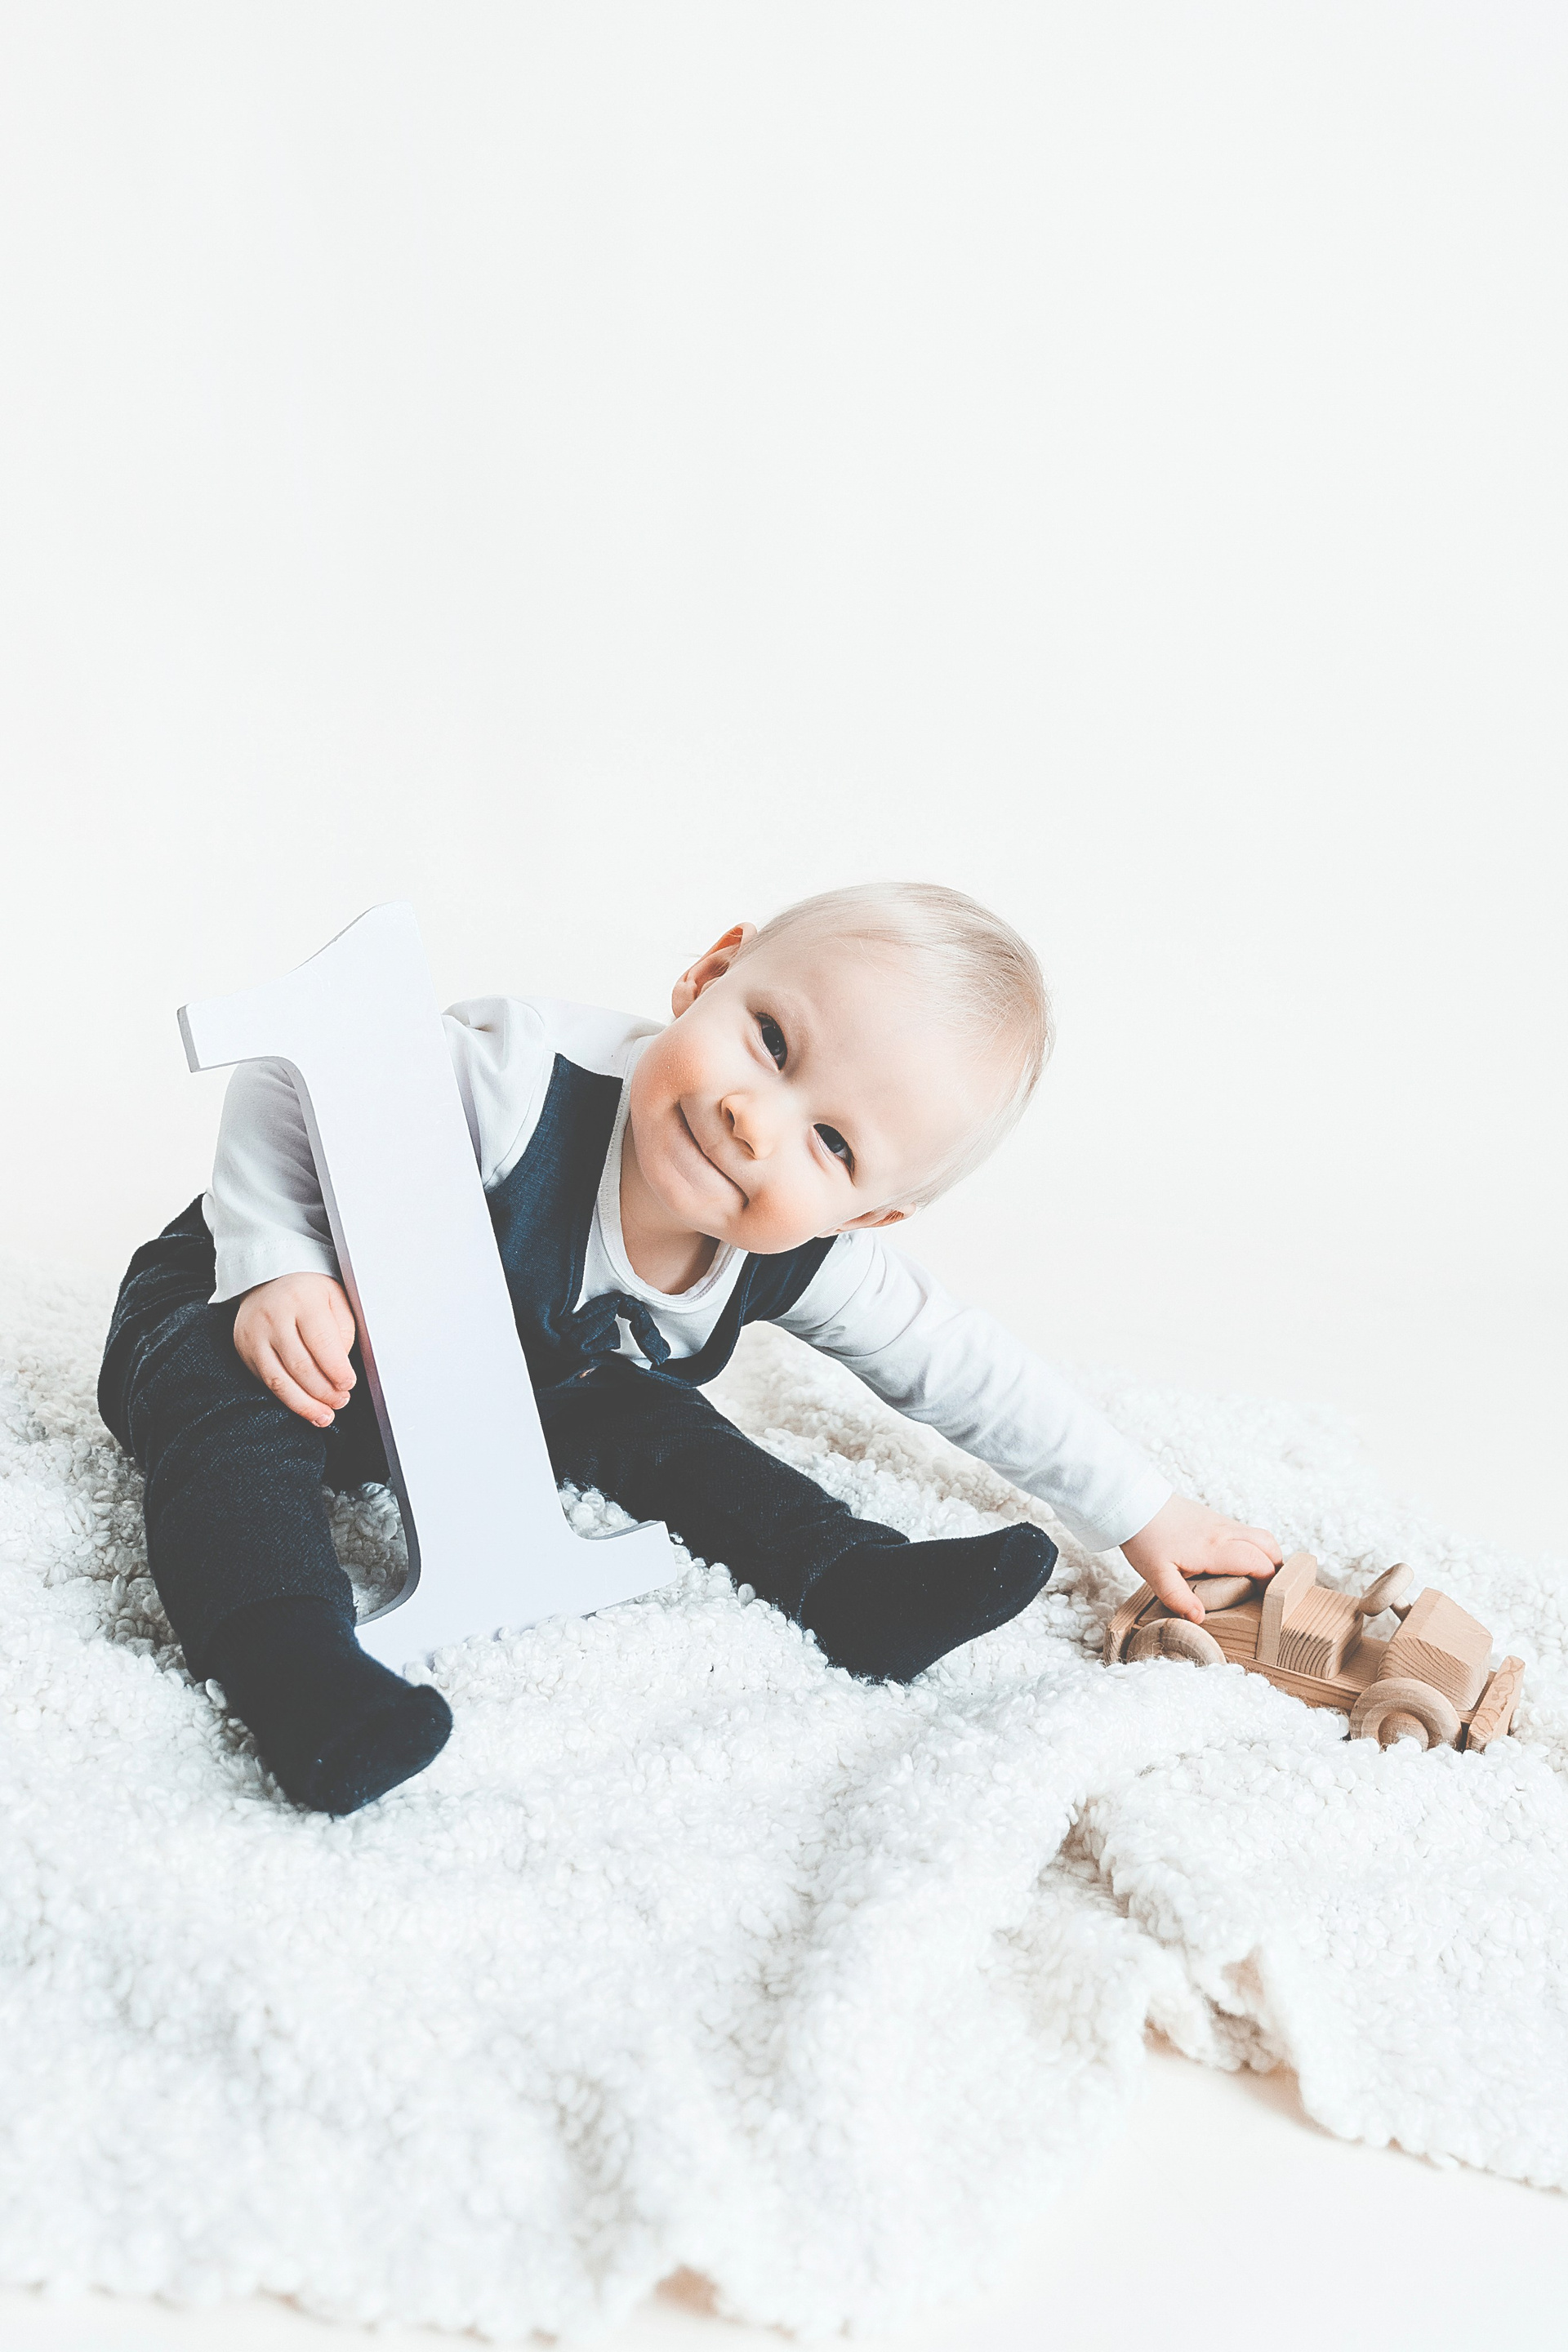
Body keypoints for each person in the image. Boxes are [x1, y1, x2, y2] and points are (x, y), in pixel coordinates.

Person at [98, 883, 1283, 1815]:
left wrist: (1145, 1511)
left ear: (869, 1215)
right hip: (279, 1320)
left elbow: (959, 1363)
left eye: (831, 1143)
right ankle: (295, 1671)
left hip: (504, 1393)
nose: (753, 1120)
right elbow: (297, 1070)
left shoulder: (801, 1254)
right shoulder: (517, 1078)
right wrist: (277, 1260)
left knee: (652, 1417)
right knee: (226, 1410)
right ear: (711, 974)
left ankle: (853, 1582)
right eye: (769, 1039)